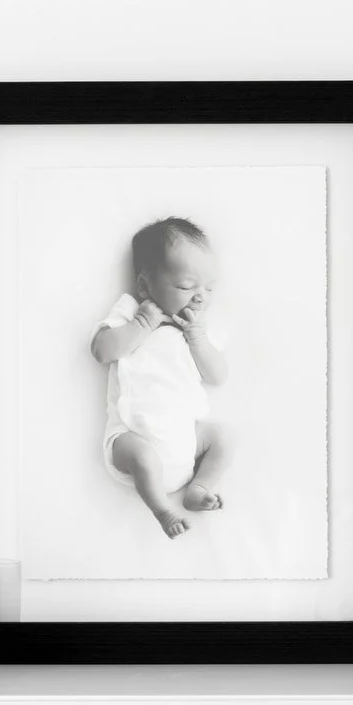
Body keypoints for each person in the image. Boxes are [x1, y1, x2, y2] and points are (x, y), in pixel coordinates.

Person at [90, 216, 230, 539]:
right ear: (144, 286)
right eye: (186, 286)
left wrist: (198, 339)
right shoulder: (130, 312)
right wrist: (141, 323)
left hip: (184, 442)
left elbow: (218, 375)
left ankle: (199, 487)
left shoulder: (196, 330)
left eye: (208, 288)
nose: (200, 297)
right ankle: (162, 509)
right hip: (131, 438)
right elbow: (101, 350)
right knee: (142, 454)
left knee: (224, 438)